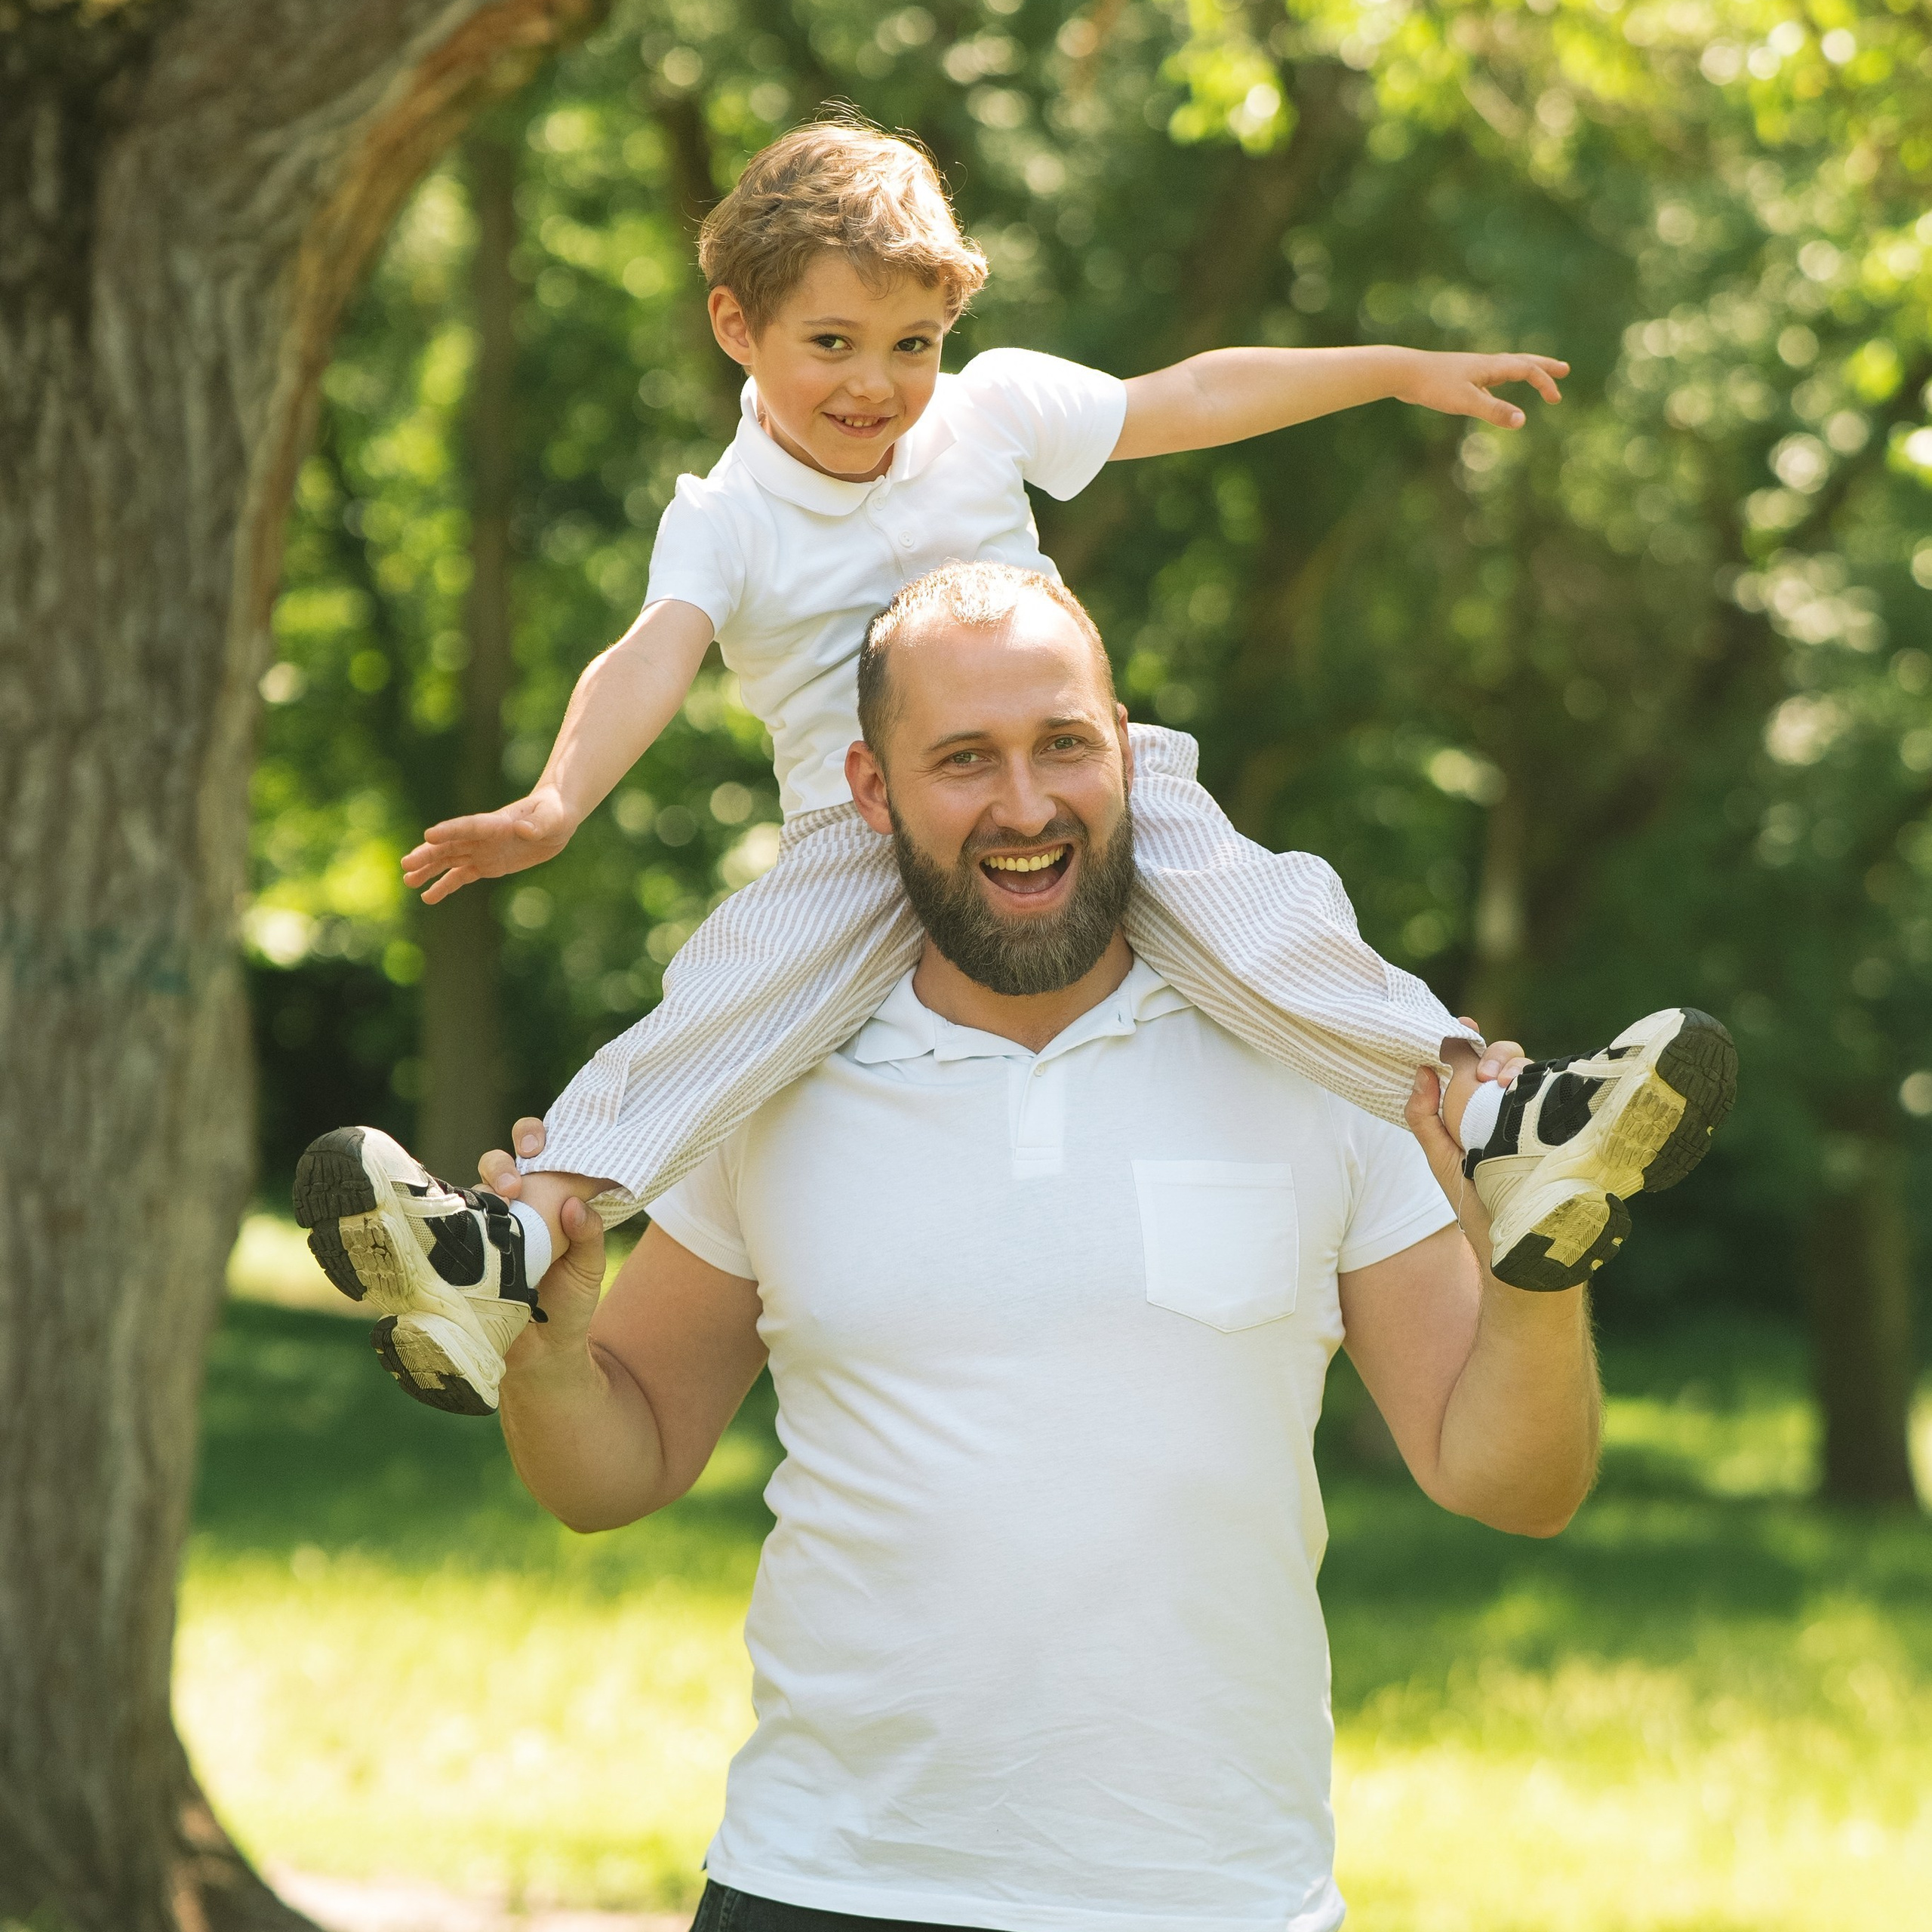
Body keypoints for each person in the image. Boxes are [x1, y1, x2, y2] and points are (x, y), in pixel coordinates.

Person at [289, 118, 1701, 1417]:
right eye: (832, 342)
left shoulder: (992, 411)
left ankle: (1498, 1116)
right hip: (868, 833)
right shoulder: (724, 522)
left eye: (912, 343)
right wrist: (555, 802)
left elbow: (1189, 396)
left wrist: (1389, 372)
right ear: (737, 324)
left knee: (1267, 919)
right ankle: (518, 1239)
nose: (877, 385)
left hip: (1084, 780)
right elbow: (652, 652)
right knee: (727, 999)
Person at [475, 565, 1711, 1932]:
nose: (1024, 804)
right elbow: (617, 1468)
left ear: (1129, 749)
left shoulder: (1327, 1062)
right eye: (963, 761)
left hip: (1217, 1897)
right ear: (873, 792)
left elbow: (1512, 1484)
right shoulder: (770, 1077)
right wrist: (549, 1354)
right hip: (824, 1885)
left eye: (1062, 743)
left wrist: (1539, 1277)